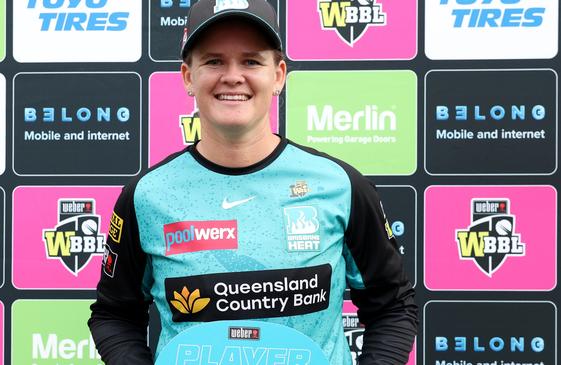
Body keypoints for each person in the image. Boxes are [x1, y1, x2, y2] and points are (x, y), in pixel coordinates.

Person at [88, 0, 418, 364]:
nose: (232, 76)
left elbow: (393, 306)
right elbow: (114, 314)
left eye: (250, 61)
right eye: (214, 61)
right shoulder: (147, 196)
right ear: (187, 77)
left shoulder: (340, 185)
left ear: (278, 75)